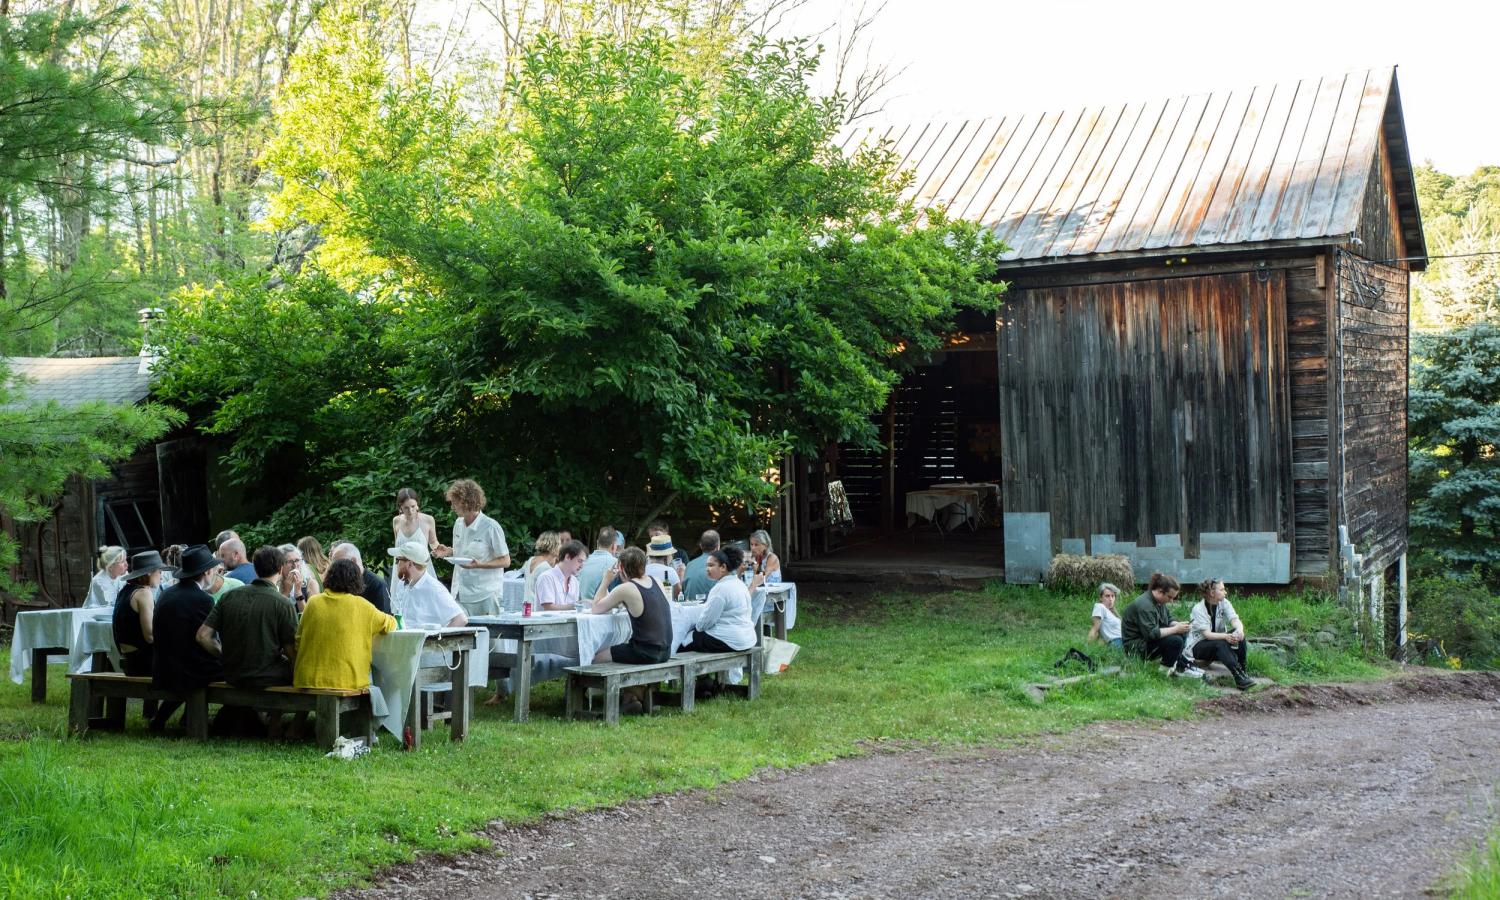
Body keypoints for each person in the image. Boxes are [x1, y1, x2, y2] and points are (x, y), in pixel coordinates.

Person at [196, 545, 298, 689]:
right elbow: (292, 652)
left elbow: (203, 636)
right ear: (281, 570)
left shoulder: (228, 596)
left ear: (255, 569)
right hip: (268, 676)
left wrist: (224, 656)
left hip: (232, 675)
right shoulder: (283, 603)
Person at [590, 547, 672, 715]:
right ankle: (630, 697)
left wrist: (606, 580)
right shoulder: (656, 581)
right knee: (622, 649)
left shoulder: (627, 588)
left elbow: (596, 608)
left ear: (621, 567)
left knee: (595, 658)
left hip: (646, 652)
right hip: (665, 651)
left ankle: (635, 694)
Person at [151, 545, 225, 730]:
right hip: (188, 670)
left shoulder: (167, 593)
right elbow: (207, 639)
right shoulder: (203, 599)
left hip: (163, 666)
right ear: (207, 571)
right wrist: (225, 656)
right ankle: (224, 721)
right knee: (236, 670)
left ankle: (163, 719)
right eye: (214, 569)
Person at [294, 558, 397, 691]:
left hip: (307, 679)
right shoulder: (363, 606)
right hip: (348, 682)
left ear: (329, 578)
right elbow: (390, 624)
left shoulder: (313, 603)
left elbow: (298, 640)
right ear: (357, 581)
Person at [431, 478, 511, 617]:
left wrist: (480, 565)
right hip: (459, 592)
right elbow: (463, 553)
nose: (452, 507)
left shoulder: (491, 527)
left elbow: (505, 561)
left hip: (485, 594)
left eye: (455, 503)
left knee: (487, 632)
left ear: (467, 502)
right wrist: (449, 551)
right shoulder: (458, 524)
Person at [1121, 573, 1204, 677]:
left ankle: (1180, 666)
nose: (1171, 601)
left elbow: (1168, 619)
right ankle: (1164, 672)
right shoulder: (1145, 605)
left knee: (1181, 633)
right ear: (1160, 591)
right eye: (1170, 597)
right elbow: (1151, 634)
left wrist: (1179, 625)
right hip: (1136, 647)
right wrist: (1175, 629)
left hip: (1146, 641)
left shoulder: (1158, 601)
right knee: (1175, 641)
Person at [682, 546, 756, 654]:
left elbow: (705, 623)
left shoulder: (720, 589)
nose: (707, 569)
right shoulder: (740, 584)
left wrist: (694, 628)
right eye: (707, 565)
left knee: (684, 640)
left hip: (727, 640)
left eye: (711, 565)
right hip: (747, 639)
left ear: (723, 567)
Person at [1185, 578, 1255, 690]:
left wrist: (1239, 630)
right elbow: (1207, 634)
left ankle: (1243, 671)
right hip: (1198, 646)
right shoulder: (1198, 609)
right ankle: (1238, 676)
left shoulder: (1224, 603)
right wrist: (1226, 636)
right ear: (1212, 593)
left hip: (1216, 641)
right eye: (1222, 590)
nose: (1225, 592)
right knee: (1220, 643)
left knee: (1238, 635)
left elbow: (1234, 619)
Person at [113, 550, 172, 677]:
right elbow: (150, 636)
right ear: (149, 572)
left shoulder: (124, 591)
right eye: (159, 572)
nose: (161, 577)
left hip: (129, 661)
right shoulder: (144, 593)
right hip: (143, 662)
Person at [388, 540, 466, 628]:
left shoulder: (434, 589)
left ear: (409, 564)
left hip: (425, 637)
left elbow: (461, 619)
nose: (396, 564)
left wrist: (439, 636)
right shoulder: (402, 584)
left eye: (398, 560)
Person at [329, 541, 391, 614]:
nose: (335, 570)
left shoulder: (378, 585)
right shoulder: (338, 582)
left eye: (340, 565)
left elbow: (383, 618)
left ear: (353, 561)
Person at [536, 540, 587, 611]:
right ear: (567, 557)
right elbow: (548, 608)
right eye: (579, 561)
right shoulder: (547, 577)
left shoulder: (575, 581)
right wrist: (576, 606)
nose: (582, 566)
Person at [577, 526, 618, 603]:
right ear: (613, 546)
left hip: (582, 606)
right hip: (603, 607)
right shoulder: (617, 564)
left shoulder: (582, 562)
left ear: (597, 543)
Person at [392, 487, 440, 552]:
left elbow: (433, 542)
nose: (410, 511)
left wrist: (438, 551)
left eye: (413, 506)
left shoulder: (428, 519)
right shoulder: (396, 521)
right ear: (400, 507)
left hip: (422, 559)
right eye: (406, 508)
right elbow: (397, 547)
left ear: (417, 504)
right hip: (400, 558)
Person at [523, 531, 562, 609]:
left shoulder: (530, 560)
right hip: (538, 609)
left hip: (527, 606)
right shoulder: (546, 568)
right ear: (553, 546)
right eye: (560, 544)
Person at [680, 530, 720, 602]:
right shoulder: (722, 566)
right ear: (718, 547)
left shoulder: (689, 565)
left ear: (701, 546)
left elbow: (683, 590)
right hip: (710, 607)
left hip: (689, 607)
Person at [644, 534, 685, 598]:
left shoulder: (643, 570)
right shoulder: (670, 571)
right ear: (667, 556)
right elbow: (678, 595)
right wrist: (681, 576)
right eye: (672, 554)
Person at [1088, 582, 1123, 649]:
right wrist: (1087, 647)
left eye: (1113, 596)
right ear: (1100, 598)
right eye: (1107, 596)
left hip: (1125, 640)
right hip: (1118, 642)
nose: (1110, 599)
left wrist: (1115, 612)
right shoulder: (1100, 606)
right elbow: (1095, 628)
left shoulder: (1111, 612)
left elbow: (1124, 626)